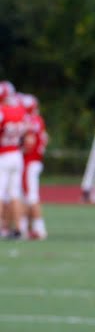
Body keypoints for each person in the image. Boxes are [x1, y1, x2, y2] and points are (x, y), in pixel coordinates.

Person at [20, 93, 48, 240]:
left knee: (31, 197)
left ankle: (39, 228)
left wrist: (20, 151)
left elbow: (29, 142)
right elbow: (45, 139)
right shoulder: (38, 120)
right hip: (36, 160)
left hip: (30, 161)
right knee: (27, 196)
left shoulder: (30, 120)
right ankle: (27, 227)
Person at [0, 81, 26, 239]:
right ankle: (18, 228)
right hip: (17, 154)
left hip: (3, 155)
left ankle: (3, 226)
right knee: (15, 194)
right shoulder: (20, 110)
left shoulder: (2, 111)